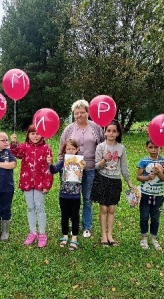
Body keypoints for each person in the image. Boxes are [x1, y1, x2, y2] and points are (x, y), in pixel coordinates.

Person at [59, 99, 104, 238]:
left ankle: (87, 226)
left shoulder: (96, 128)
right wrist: (61, 168)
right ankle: (73, 224)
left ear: (88, 112)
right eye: (76, 113)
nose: (79, 115)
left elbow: (102, 147)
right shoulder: (69, 129)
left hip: (90, 168)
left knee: (87, 198)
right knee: (72, 199)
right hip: (71, 171)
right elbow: (62, 150)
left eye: (82, 112)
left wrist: (101, 164)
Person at [90, 120, 133, 247]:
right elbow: (96, 166)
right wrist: (104, 160)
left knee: (112, 209)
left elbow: (124, 167)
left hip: (115, 181)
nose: (111, 133)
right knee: (103, 208)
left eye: (114, 131)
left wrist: (129, 182)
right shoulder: (100, 147)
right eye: (109, 130)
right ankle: (103, 235)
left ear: (118, 133)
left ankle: (110, 235)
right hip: (102, 180)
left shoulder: (121, 148)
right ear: (105, 132)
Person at [10, 125, 53, 248]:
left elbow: (49, 169)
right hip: (27, 182)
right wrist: (13, 143)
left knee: (39, 207)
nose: (35, 136)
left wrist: (47, 184)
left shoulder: (46, 149)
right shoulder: (24, 147)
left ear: (42, 135)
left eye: (38, 133)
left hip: (40, 184)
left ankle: (42, 234)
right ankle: (33, 232)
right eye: (32, 133)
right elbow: (16, 152)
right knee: (30, 207)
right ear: (28, 134)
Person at [47, 139, 85, 251]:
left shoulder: (80, 162)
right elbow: (53, 170)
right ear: (64, 150)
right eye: (68, 149)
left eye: (73, 149)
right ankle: (64, 235)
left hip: (76, 195)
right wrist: (49, 163)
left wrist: (84, 167)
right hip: (63, 195)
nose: (71, 151)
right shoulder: (62, 162)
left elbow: (84, 177)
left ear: (77, 149)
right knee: (64, 216)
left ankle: (74, 237)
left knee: (75, 216)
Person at [136, 139, 164, 251]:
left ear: (161, 148)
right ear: (147, 148)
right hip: (145, 194)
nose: (153, 150)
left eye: (156, 147)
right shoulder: (143, 161)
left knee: (155, 218)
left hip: (158, 195)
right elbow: (138, 177)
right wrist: (148, 177)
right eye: (150, 147)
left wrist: (159, 173)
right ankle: (144, 237)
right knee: (144, 216)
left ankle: (154, 238)